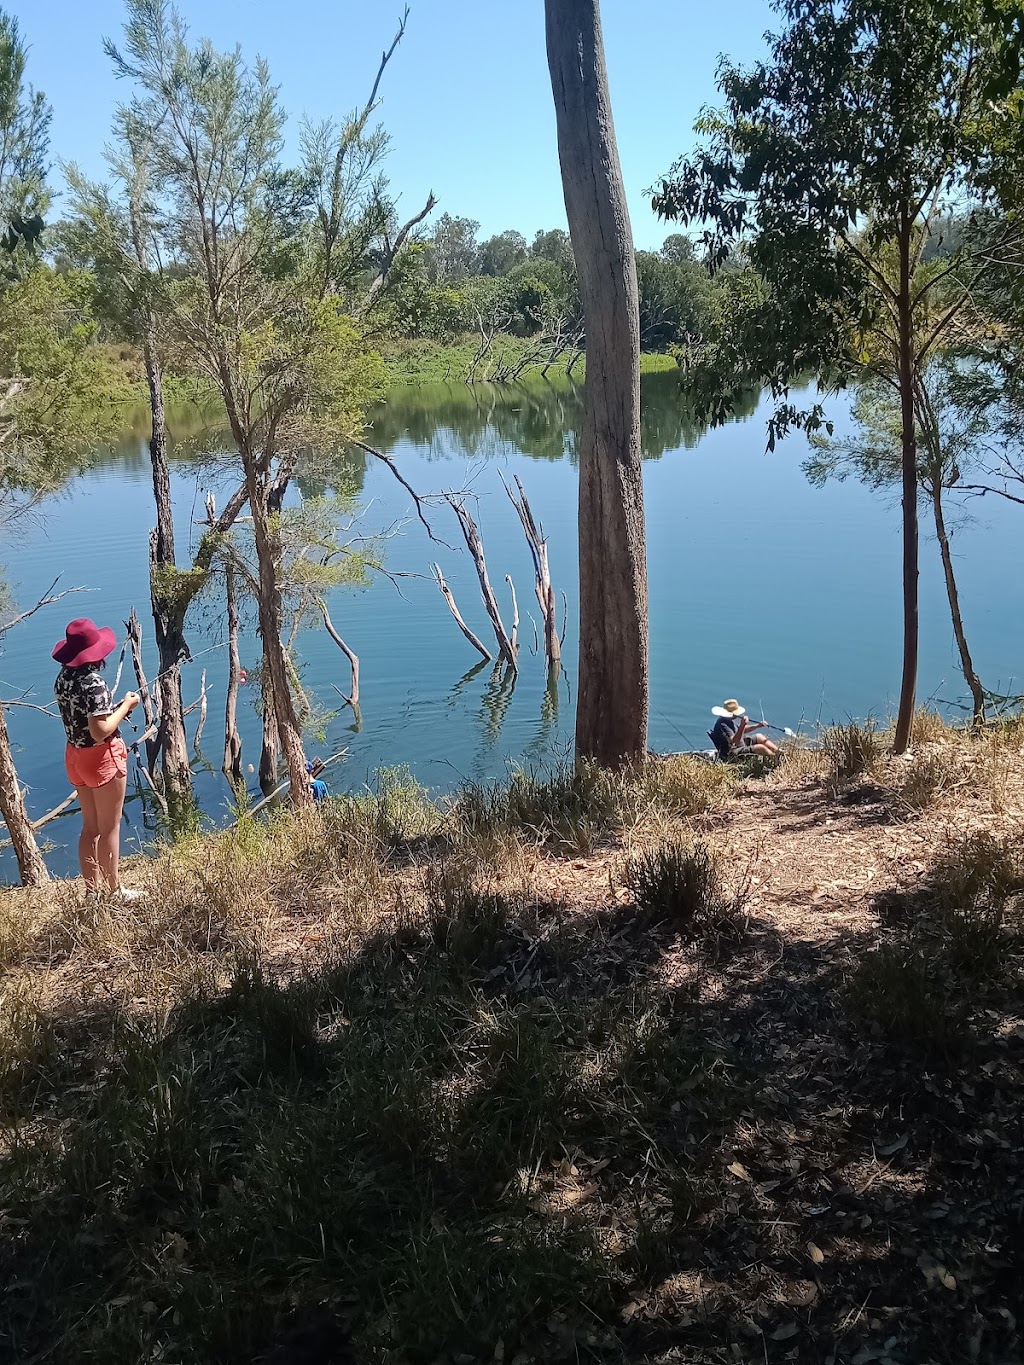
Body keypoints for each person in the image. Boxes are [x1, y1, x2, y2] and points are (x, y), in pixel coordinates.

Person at [52, 618, 146, 901]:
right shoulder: (94, 682)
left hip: (75, 757)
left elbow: (86, 720)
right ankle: (115, 891)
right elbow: (100, 730)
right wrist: (127, 705)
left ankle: (92, 893)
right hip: (102, 758)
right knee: (110, 828)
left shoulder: (63, 678)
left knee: (90, 827)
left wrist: (114, 710)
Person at [709, 698, 779, 760]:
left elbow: (742, 729)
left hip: (740, 744)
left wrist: (757, 726)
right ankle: (775, 758)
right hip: (731, 753)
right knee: (760, 748)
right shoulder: (723, 724)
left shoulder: (733, 718)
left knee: (760, 736)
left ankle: (778, 752)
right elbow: (734, 741)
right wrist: (743, 725)